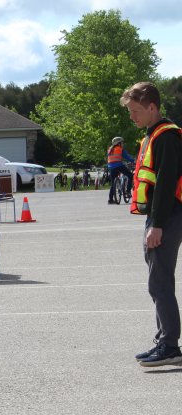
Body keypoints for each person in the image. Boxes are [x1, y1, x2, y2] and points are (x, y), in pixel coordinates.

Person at [120, 82, 182, 367]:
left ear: (152, 107)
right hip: (160, 216)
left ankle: (169, 346)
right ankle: (164, 341)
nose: (132, 116)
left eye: (135, 111)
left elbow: (167, 183)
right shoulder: (152, 135)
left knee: (159, 282)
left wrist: (156, 225)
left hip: (167, 217)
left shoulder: (166, 137)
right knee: (159, 281)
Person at [107, 136, 135, 204]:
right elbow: (127, 157)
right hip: (119, 166)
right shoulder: (120, 149)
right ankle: (128, 191)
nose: (123, 144)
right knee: (130, 175)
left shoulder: (110, 149)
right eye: (122, 142)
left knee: (113, 183)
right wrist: (134, 161)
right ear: (119, 143)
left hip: (111, 167)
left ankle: (110, 200)